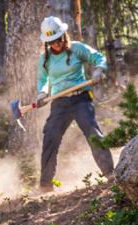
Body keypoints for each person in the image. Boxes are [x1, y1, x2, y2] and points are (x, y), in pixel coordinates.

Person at [36, 16, 114, 192]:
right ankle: (45, 185)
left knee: (93, 133)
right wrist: (42, 93)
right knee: (50, 137)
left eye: (57, 39)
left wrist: (99, 70)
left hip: (80, 99)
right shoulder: (44, 59)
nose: (55, 44)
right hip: (59, 103)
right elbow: (42, 80)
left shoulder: (77, 48)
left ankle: (110, 174)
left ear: (64, 36)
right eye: (51, 42)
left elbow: (99, 58)